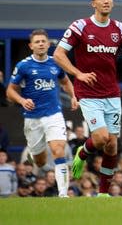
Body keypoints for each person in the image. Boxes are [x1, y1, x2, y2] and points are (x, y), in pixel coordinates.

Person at [53, 0, 122, 197]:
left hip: (112, 93)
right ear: (93, 3)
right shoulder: (80, 26)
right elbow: (58, 54)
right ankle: (82, 152)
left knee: (111, 146)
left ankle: (103, 194)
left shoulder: (119, 29)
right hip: (88, 92)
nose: (105, 1)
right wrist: (78, 74)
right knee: (101, 138)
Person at [6, 29, 78, 198]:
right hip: (33, 118)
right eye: (37, 42)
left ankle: (63, 195)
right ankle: (33, 154)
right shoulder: (23, 66)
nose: (40, 44)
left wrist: (74, 96)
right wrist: (22, 101)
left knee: (58, 150)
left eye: (43, 41)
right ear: (31, 46)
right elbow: (10, 91)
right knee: (40, 161)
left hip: (54, 114)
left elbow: (66, 82)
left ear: (48, 44)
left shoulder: (56, 63)